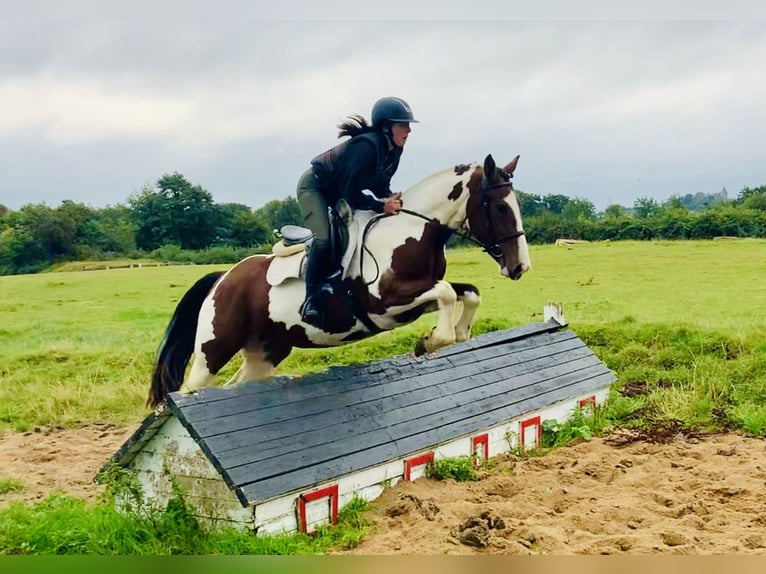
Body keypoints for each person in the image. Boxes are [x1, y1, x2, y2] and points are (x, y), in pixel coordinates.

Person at [296, 96, 418, 328]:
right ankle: (310, 300)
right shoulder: (366, 147)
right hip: (315, 187)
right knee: (322, 240)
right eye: (403, 124)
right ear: (386, 127)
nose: (409, 130)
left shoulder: (393, 150)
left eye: (408, 125)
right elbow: (351, 193)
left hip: (338, 190)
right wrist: (381, 206)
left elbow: (379, 184)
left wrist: (388, 197)